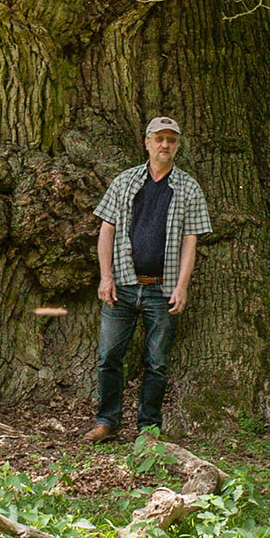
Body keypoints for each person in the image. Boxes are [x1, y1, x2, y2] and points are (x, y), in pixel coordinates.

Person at [85, 116, 211, 442]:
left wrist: (182, 287)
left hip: (163, 289)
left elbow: (190, 242)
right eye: (159, 138)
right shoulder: (125, 182)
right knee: (109, 357)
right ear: (147, 142)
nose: (165, 145)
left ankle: (148, 429)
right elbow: (106, 231)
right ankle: (107, 422)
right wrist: (105, 278)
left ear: (177, 145)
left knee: (156, 363)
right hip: (122, 286)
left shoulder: (189, 188)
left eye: (171, 139)